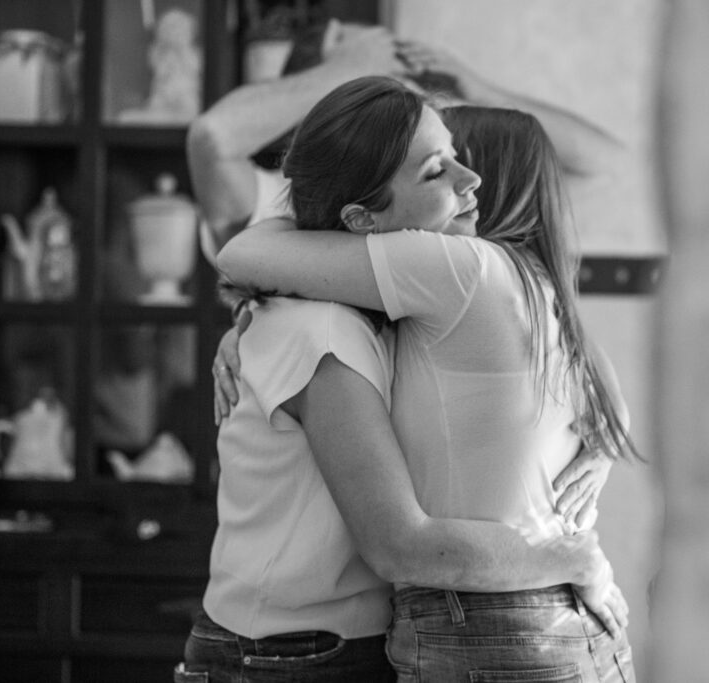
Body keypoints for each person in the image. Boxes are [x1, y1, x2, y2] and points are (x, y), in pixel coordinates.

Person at [180, 32, 629, 683]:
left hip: (341, 640)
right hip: (288, 653)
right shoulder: (328, 323)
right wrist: (572, 556)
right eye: (435, 168)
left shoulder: (408, 307)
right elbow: (401, 544)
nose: (470, 182)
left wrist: (597, 423)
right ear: (361, 217)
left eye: (456, 156)